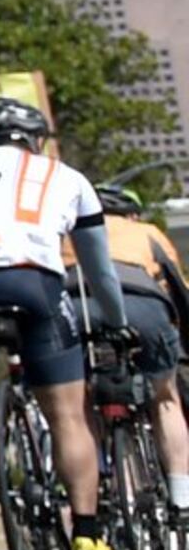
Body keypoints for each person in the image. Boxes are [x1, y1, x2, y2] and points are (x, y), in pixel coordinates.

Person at [0, 97, 128, 550]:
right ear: (37, 140)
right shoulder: (66, 176)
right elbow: (98, 270)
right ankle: (87, 537)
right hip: (33, 279)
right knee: (68, 417)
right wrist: (116, 320)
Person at [94, 185, 189, 521]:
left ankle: (115, 495)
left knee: (81, 403)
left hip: (85, 307)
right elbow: (179, 290)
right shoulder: (147, 233)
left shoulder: (69, 235)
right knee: (166, 398)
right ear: (131, 215)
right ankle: (183, 499)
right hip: (144, 307)